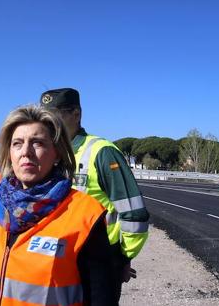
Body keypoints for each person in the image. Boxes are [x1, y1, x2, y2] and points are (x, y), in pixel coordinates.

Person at [0, 105, 114, 305]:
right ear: (9, 153)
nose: (26, 152)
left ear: (57, 153)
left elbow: (101, 298)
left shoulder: (86, 214)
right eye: (17, 143)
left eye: (37, 143)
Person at [40, 88, 150, 303]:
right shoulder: (49, 153)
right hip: (56, 259)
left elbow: (134, 214)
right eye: (45, 118)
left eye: (56, 115)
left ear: (76, 114)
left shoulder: (101, 152)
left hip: (97, 262)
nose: (49, 123)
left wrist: (121, 258)